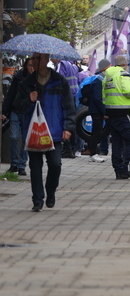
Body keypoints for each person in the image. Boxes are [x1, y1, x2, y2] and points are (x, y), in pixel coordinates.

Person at [13, 53, 74, 211]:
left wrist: (68, 127)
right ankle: (37, 200)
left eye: (37, 58)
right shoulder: (26, 82)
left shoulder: (59, 81)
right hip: (33, 131)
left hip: (54, 129)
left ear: (46, 60)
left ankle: (51, 191)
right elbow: (18, 106)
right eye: (33, 58)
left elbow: (69, 106)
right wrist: (29, 99)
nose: (34, 61)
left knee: (55, 164)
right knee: (35, 166)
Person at [103, 55, 130, 180]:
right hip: (124, 112)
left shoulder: (107, 76)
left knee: (117, 143)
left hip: (111, 111)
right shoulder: (123, 75)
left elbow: (103, 95)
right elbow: (128, 92)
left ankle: (119, 170)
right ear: (124, 64)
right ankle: (128, 167)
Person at [2, 57, 35, 176]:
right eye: (29, 65)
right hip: (16, 110)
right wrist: (4, 111)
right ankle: (14, 163)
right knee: (13, 137)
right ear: (25, 66)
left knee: (26, 139)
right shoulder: (18, 78)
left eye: (33, 65)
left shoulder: (37, 79)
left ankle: (21, 165)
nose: (31, 68)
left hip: (28, 111)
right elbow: (11, 94)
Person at [78, 59, 110, 162]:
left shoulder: (98, 79)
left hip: (95, 109)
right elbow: (97, 98)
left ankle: (92, 153)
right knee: (97, 132)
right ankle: (93, 153)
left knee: (95, 132)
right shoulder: (99, 81)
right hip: (96, 110)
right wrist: (103, 112)